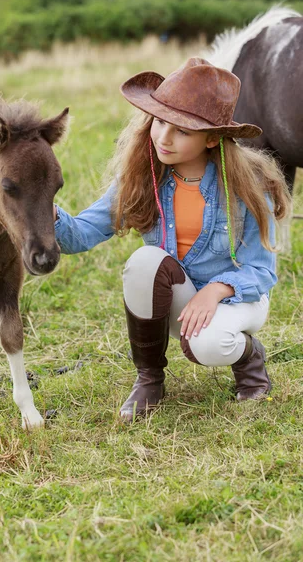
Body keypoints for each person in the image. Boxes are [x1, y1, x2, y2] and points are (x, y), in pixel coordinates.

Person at [53, 57, 291, 422]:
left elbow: (262, 270)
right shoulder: (141, 178)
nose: (164, 138)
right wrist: (44, 213)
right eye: (160, 122)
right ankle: (149, 379)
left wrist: (215, 291)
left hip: (236, 299)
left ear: (212, 138)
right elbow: (80, 234)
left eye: (182, 131)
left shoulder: (250, 188)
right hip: (179, 299)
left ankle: (248, 356)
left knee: (208, 345)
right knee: (143, 262)